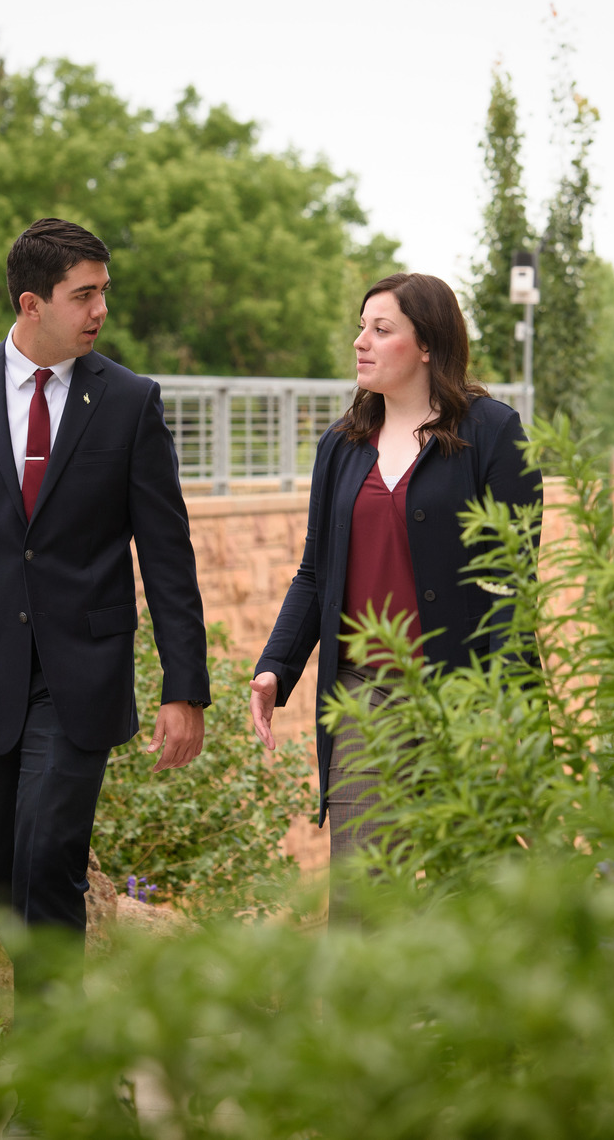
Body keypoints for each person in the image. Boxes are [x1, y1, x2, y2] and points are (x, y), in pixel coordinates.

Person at [0, 218, 211, 990]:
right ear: (31, 304)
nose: (100, 311)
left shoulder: (129, 403)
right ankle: (73, 1049)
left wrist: (184, 688)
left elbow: (168, 556)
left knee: (49, 855)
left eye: (103, 293)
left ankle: (49, 1084)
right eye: (82, 295)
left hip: (80, 676)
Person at [249, 272, 542, 876]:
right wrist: (275, 667)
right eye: (361, 327)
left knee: (466, 891)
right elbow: (314, 573)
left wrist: (504, 709)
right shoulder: (342, 445)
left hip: (464, 693)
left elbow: (509, 583)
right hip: (364, 694)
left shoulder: (492, 434)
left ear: (428, 344)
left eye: (381, 330)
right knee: (365, 894)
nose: (362, 341)